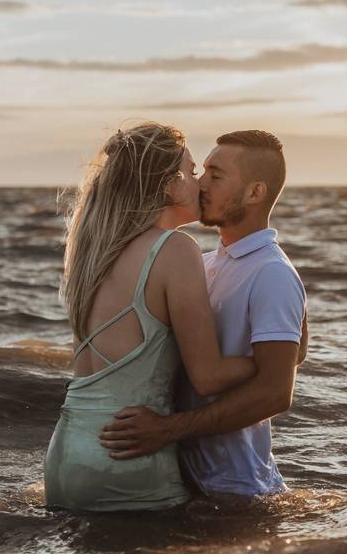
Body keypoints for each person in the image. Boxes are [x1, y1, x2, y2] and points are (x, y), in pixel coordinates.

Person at [44, 122, 263, 512]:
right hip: (126, 455)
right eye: (193, 171)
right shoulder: (175, 249)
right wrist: (277, 358)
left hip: (66, 454)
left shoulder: (95, 252)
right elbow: (208, 375)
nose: (200, 183)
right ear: (168, 184)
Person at [100, 130, 308, 499]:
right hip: (184, 483)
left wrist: (167, 429)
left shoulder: (271, 273)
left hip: (237, 491)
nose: (200, 183)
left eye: (215, 175)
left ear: (255, 193)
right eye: (201, 172)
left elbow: (277, 393)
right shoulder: (204, 263)